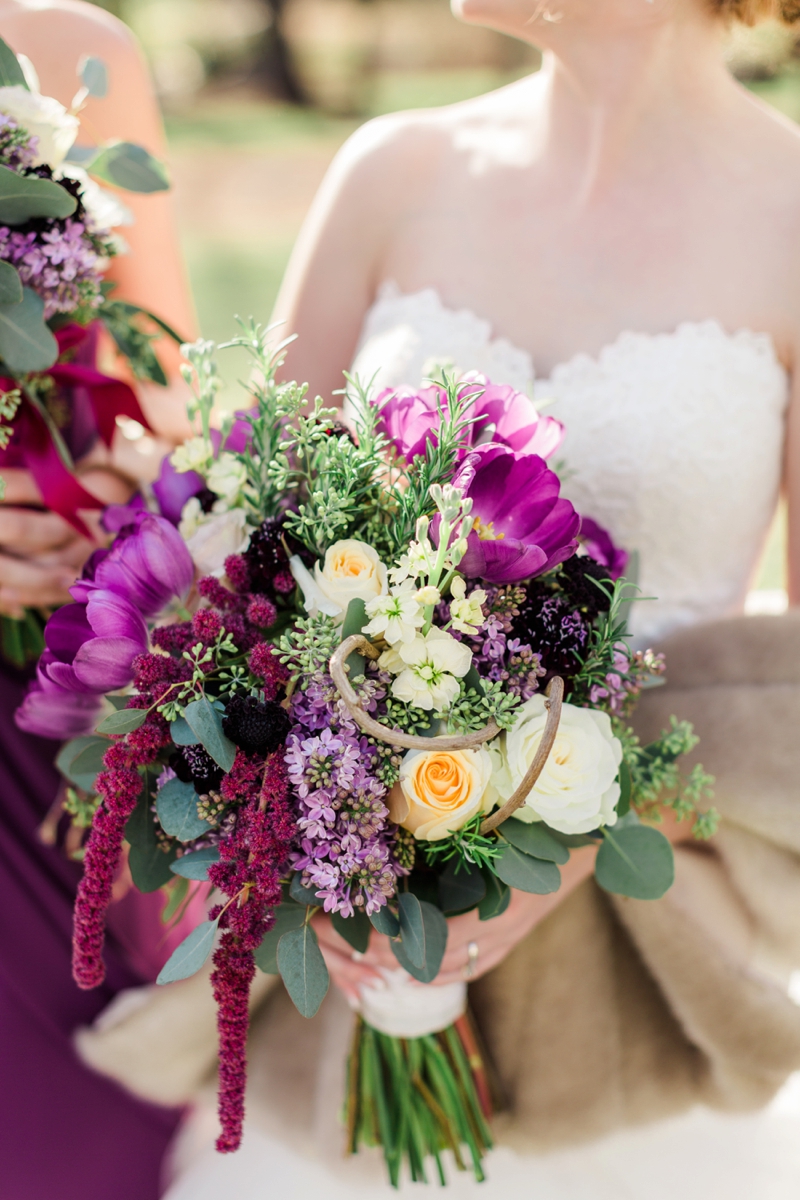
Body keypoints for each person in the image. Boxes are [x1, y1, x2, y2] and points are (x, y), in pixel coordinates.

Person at [154, 0, 800, 1196]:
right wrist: (320, 815)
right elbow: (236, 523)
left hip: (640, 968)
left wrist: (570, 830)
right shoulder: (392, 170)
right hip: (343, 944)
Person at [0, 4, 196, 1199]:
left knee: (77, 1148)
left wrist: (107, 506)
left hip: (35, 735)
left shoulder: (76, 54)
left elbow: (164, 423)